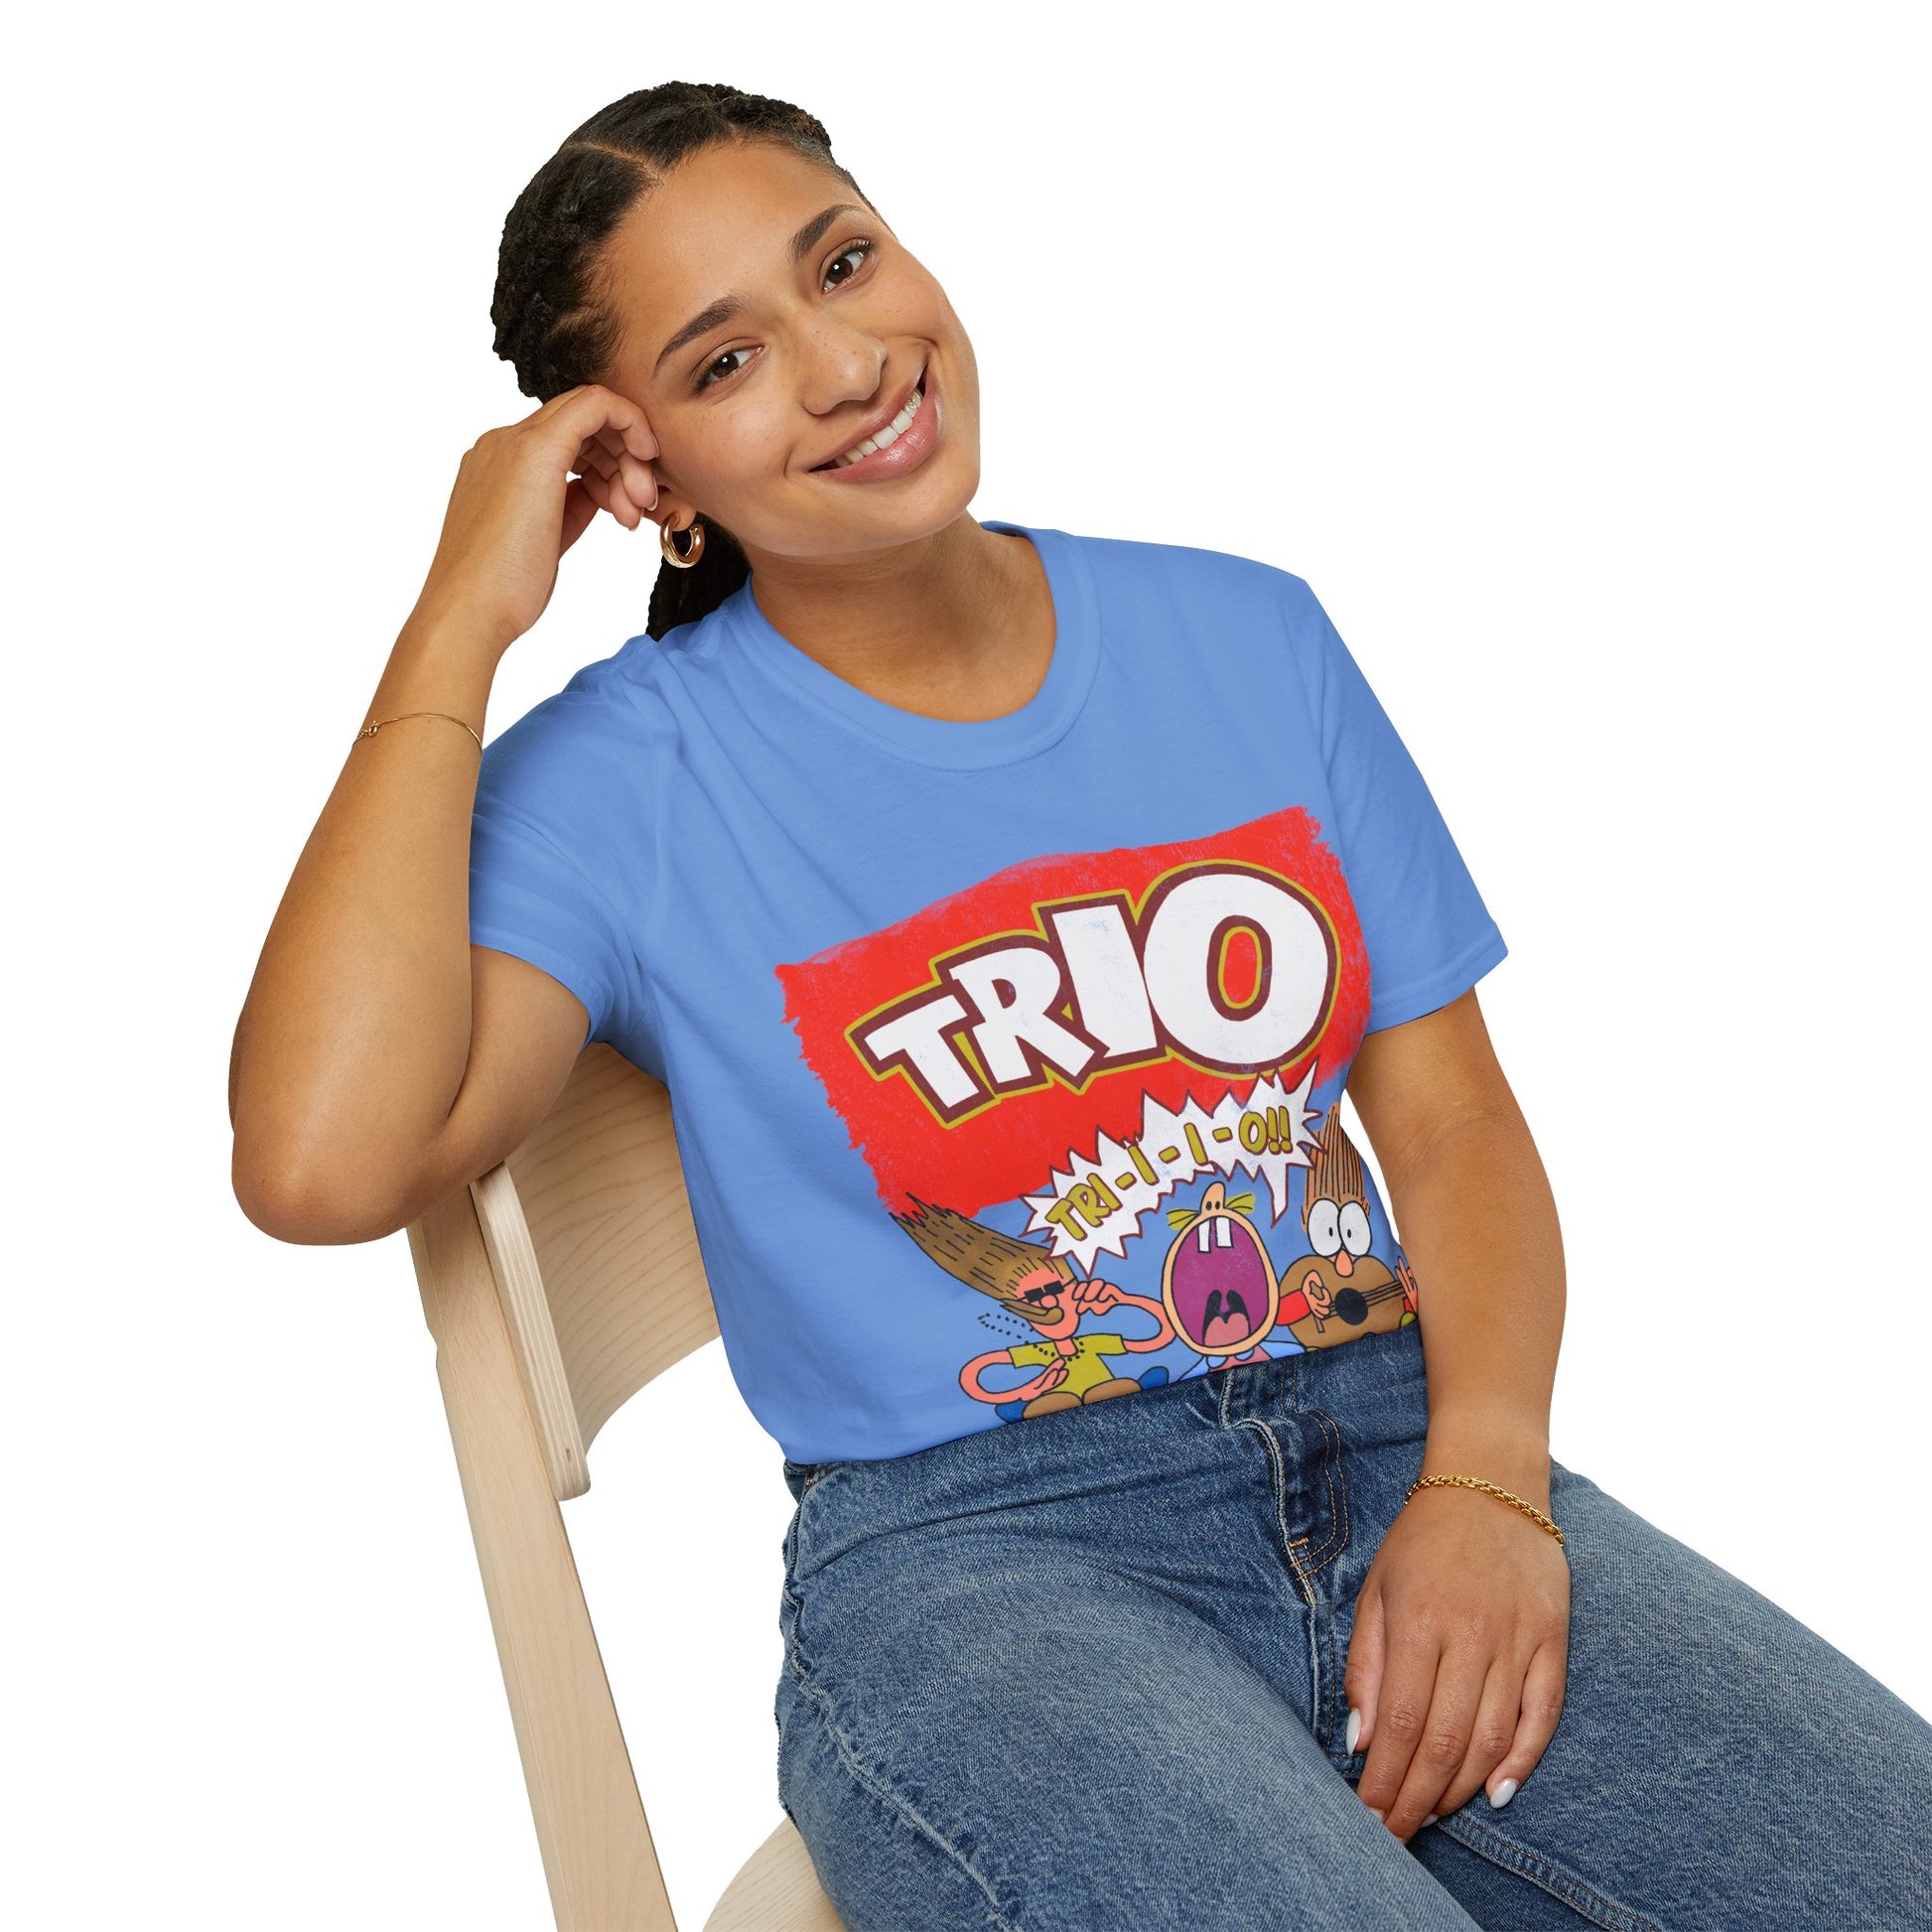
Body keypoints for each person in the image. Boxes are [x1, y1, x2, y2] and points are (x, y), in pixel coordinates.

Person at [228, 80, 1932, 1931]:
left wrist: (1491, 1484)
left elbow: (1447, 1125)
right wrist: (456, 618)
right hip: (983, 1563)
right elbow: (320, 1160)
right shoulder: (630, 777)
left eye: (845, 262)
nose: (846, 362)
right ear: (648, 481)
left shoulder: (1249, 637)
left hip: (1401, 1439)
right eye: (725, 363)